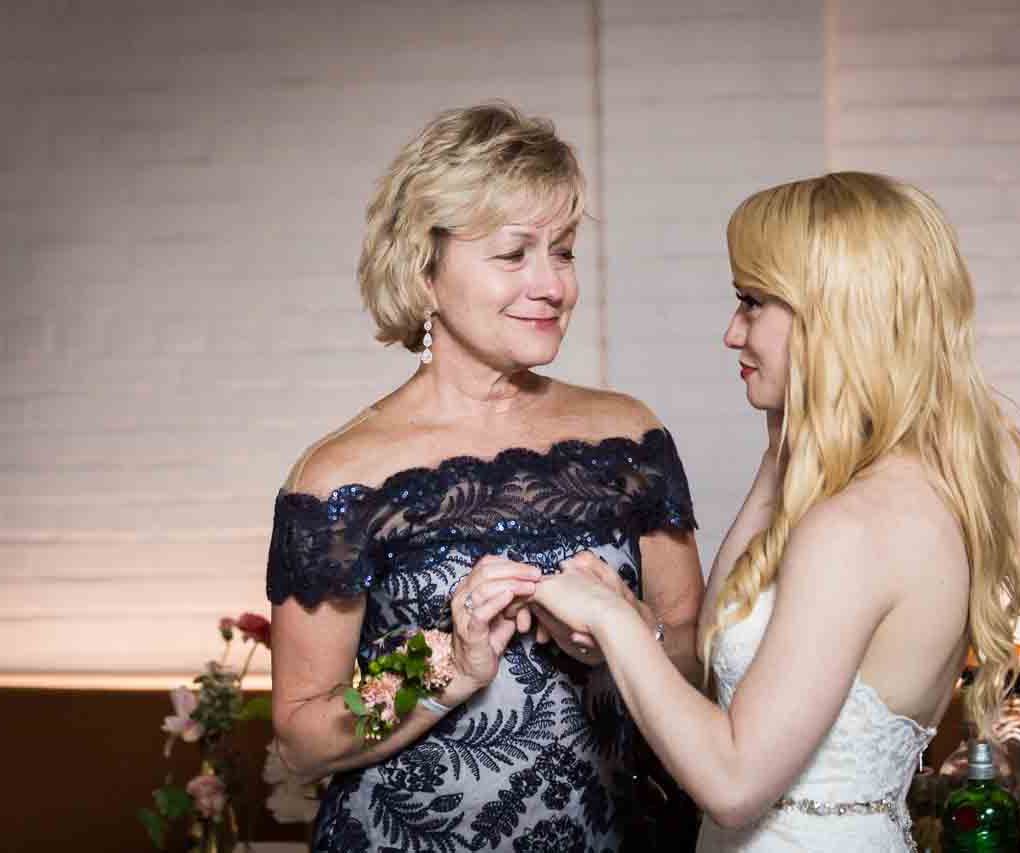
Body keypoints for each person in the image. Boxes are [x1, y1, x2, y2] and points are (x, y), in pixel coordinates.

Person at [529, 171, 1020, 851]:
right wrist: (635, 634)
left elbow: (734, 780)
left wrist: (613, 619)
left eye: (753, 302)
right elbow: (719, 670)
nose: (731, 333)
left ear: (835, 317)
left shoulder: (856, 527)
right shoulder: (865, 489)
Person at [265, 102, 704, 853]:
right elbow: (303, 734)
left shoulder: (629, 437)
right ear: (423, 271)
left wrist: (619, 638)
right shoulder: (342, 475)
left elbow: (692, 651)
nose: (552, 285)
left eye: (562, 251)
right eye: (514, 255)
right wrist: (441, 667)